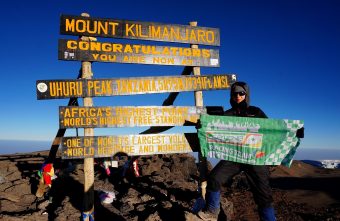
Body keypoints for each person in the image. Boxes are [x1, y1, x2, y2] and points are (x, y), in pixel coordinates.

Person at [198, 81, 276, 221]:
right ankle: (212, 211)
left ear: (246, 95)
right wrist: (203, 125)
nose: (238, 96)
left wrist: (293, 132)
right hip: (234, 156)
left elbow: (272, 131)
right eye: (235, 93)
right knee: (214, 178)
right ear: (231, 96)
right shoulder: (228, 114)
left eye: (241, 93)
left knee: (264, 195)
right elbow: (214, 128)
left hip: (254, 158)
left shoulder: (256, 112)